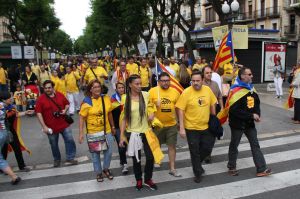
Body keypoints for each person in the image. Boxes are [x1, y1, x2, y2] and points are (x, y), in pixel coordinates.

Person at [226, 67, 272, 177]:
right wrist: (251, 115)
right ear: (242, 76)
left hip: (249, 124)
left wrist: (257, 114)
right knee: (234, 145)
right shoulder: (235, 90)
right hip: (237, 124)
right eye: (249, 74)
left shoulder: (251, 89)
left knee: (255, 145)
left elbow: (257, 104)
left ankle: (261, 168)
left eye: (251, 74)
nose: (252, 76)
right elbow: (234, 110)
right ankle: (231, 166)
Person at [176, 70, 217, 183]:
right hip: (191, 128)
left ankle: (197, 165)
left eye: (198, 80)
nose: (195, 83)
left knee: (207, 148)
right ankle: (197, 173)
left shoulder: (208, 90)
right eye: (193, 81)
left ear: (202, 80)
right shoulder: (186, 92)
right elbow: (180, 110)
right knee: (194, 151)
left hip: (206, 127)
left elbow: (213, 103)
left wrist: (214, 119)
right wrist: (182, 128)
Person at [119, 74, 157, 191]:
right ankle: (139, 179)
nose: (140, 86)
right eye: (137, 84)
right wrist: (121, 136)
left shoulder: (146, 95)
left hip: (146, 131)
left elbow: (152, 107)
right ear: (130, 85)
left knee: (150, 157)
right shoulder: (125, 98)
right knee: (136, 158)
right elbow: (124, 118)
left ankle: (148, 179)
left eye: (140, 83)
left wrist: (152, 114)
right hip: (132, 133)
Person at [79, 79, 116, 182]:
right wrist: (81, 133)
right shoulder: (86, 102)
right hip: (93, 132)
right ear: (90, 89)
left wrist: (113, 127)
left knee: (108, 152)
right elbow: (82, 118)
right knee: (96, 155)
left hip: (106, 131)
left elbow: (109, 113)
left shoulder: (106, 98)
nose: (97, 89)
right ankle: (99, 173)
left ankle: (106, 169)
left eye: (98, 87)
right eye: (94, 87)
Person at [35, 80, 77, 167]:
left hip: (64, 124)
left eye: (49, 87)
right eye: (45, 88)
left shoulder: (59, 95)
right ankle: (57, 159)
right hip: (51, 127)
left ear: (53, 88)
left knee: (69, 140)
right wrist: (44, 126)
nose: (47, 89)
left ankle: (70, 157)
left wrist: (65, 110)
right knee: (53, 144)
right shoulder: (40, 99)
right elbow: (38, 113)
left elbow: (67, 104)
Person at [149, 72, 181, 177]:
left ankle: (172, 168)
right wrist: (154, 106)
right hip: (157, 125)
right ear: (159, 82)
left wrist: (180, 122)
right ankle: (156, 160)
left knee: (172, 146)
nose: (166, 83)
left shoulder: (175, 92)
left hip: (171, 125)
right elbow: (147, 107)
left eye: (167, 80)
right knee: (156, 145)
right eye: (163, 81)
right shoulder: (153, 91)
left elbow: (178, 109)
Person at [1, 91, 33, 172]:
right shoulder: (1, 108)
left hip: (11, 131)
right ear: (4, 100)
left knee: (17, 148)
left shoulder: (11, 107)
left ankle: (22, 166)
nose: (11, 99)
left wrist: (25, 112)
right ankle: (2, 168)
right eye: (9, 98)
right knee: (3, 150)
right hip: (2, 132)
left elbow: (16, 114)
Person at [0, 92, 22, 185]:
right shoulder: (5, 107)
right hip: (4, 133)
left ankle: (13, 176)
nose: (11, 99)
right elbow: (10, 114)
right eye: (9, 98)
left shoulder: (3, 106)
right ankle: (13, 176)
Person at [110, 82, 128, 175]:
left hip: (128, 126)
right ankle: (124, 164)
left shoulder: (129, 98)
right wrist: (112, 127)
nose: (121, 89)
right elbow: (110, 115)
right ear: (116, 89)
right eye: (119, 88)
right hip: (117, 127)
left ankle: (123, 159)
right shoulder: (112, 100)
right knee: (121, 146)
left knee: (126, 145)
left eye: (122, 87)